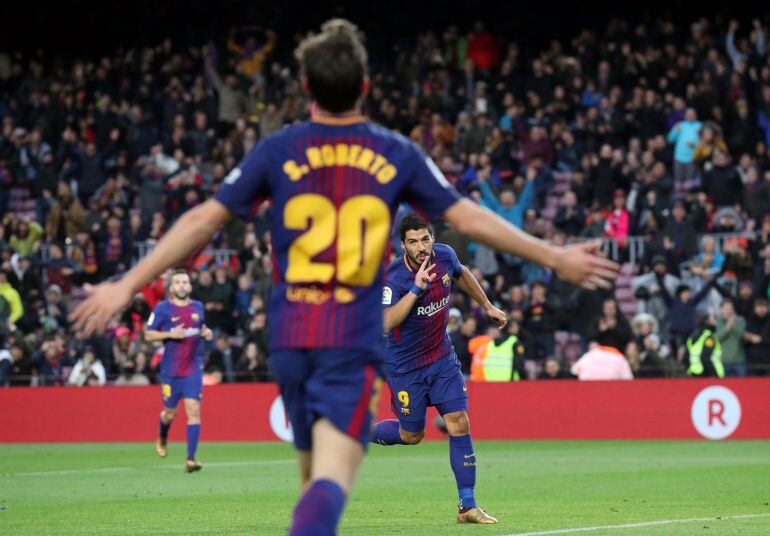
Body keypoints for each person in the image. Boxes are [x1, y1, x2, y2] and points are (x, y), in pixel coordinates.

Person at [70, 19, 618, 536]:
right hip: (349, 334)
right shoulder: (394, 151)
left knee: (315, 477)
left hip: (290, 334)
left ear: (305, 84)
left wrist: (125, 283)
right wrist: (553, 256)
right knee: (332, 479)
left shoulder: (278, 148)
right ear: (366, 85)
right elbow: (468, 215)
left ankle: (460, 500)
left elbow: (200, 220)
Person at [372, 213, 508, 524]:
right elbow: (386, 322)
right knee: (411, 435)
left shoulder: (445, 255)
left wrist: (487, 305)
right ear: (403, 245)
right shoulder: (394, 277)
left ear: (432, 238)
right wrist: (416, 290)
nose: (421, 247)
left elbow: (462, 274)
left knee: (459, 422)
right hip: (406, 367)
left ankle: (467, 506)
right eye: (413, 242)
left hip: (441, 358)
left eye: (425, 239)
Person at [143, 269, 213, 472]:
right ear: (171, 287)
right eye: (178, 282)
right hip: (170, 372)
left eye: (185, 282)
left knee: (194, 412)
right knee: (170, 413)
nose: (182, 285)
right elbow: (148, 335)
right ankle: (162, 435)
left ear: (190, 286)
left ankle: (191, 459)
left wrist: (206, 332)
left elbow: (200, 327)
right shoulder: (162, 309)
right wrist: (170, 333)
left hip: (192, 370)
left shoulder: (198, 307)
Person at [686, 312, 724, 378]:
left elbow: (686, 356)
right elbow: (705, 357)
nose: (716, 321)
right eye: (713, 319)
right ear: (707, 321)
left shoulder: (693, 336)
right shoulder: (708, 337)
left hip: (693, 373)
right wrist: (713, 374)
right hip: (706, 375)